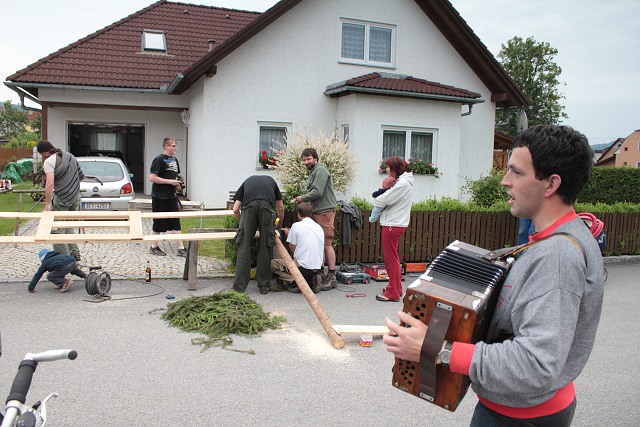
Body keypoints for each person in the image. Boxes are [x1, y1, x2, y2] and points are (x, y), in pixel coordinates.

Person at [384, 125, 605, 427]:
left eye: (516, 172)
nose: (505, 181)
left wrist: (437, 348)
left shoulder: (557, 257)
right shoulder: (556, 238)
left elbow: (539, 364)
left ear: (551, 184)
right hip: (519, 409)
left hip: (521, 418)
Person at [232, 174, 285, 294]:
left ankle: (239, 288)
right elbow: (280, 208)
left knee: (244, 248)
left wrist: (243, 224)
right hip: (267, 210)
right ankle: (264, 285)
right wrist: (279, 224)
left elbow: (235, 209)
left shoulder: (246, 182)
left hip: (248, 209)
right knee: (266, 246)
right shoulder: (271, 182)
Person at [294, 148, 337, 291]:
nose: (306, 162)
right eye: (304, 160)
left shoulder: (321, 170)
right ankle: (320, 273)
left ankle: (331, 276)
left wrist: (301, 199)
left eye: (309, 159)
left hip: (325, 212)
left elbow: (317, 191)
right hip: (318, 211)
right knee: (319, 244)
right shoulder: (314, 171)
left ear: (315, 158)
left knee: (326, 244)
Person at [373, 156, 413, 302]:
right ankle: (396, 288)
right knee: (393, 259)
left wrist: (376, 199)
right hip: (395, 224)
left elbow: (382, 199)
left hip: (392, 224)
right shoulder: (404, 182)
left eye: (388, 167)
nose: (386, 170)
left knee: (391, 261)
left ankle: (393, 293)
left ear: (395, 168)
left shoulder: (402, 184)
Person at [36, 140, 85, 260]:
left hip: (61, 198)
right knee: (68, 226)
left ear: (44, 153)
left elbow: (50, 183)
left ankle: (63, 259)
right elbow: (80, 176)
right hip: (75, 197)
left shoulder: (49, 162)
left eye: (42, 155)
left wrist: (47, 204)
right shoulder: (70, 156)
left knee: (57, 229)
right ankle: (74, 252)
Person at [272, 202, 325, 293]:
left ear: (299, 214)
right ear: (311, 214)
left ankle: (296, 282)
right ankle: (312, 280)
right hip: (317, 267)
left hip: (302, 266)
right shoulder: (319, 227)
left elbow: (292, 248)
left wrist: (289, 235)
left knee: (272, 264)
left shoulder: (296, 226)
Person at [148, 137, 186, 257]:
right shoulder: (158, 160)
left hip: (171, 196)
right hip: (159, 196)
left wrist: (178, 184)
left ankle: (181, 248)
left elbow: (176, 176)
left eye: (175, 145)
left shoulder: (174, 160)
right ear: (165, 146)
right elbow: (152, 178)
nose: (175, 148)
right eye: (173, 145)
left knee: (175, 221)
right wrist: (170, 182)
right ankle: (153, 246)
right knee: (159, 221)